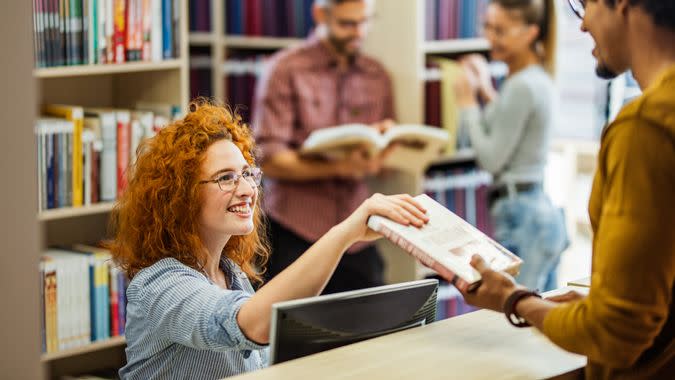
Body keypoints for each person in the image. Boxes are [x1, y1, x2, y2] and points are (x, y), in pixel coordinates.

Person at [438, 0, 675, 378]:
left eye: (586, 6)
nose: (581, 27)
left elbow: (616, 332)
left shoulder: (646, 127)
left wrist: (513, 299)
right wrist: (605, 305)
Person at [110, 100, 428, 379]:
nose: (248, 190)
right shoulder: (159, 285)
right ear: (180, 197)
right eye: (226, 178)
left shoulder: (233, 276)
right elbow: (248, 324)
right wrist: (344, 233)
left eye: (248, 174)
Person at [252, 0, 396, 294]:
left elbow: (383, 156)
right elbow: (269, 158)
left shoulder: (376, 74)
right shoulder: (285, 69)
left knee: (376, 328)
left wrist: (382, 150)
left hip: (358, 231)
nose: (358, 32)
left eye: (364, 22)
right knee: (292, 332)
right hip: (294, 230)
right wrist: (342, 166)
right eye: (347, 24)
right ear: (321, 15)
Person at [453, 0, 568, 292]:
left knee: (515, 314)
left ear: (530, 32)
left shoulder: (521, 86)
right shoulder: (532, 78)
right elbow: (509, 127)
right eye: (488, 27)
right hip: (536, 211)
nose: (490, 37)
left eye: (501, 30)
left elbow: (492, 158)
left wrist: (467, 104)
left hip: (522, 216)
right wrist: (487, 89)